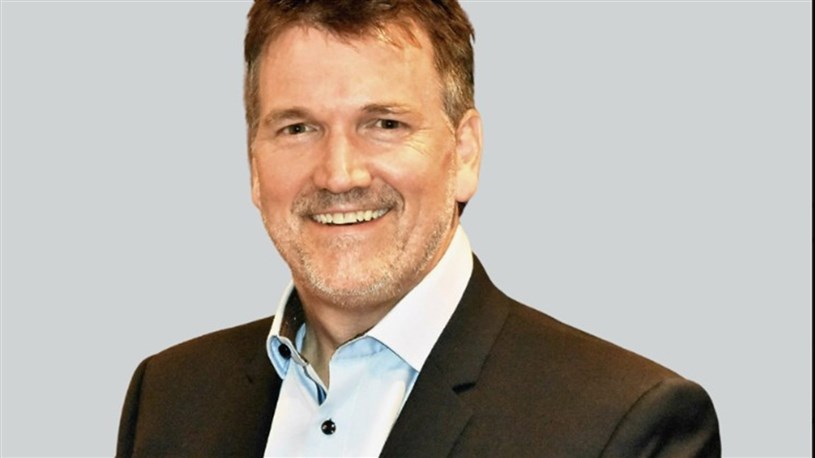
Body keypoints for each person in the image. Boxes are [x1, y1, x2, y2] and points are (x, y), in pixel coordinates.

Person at [116, 1, 721, 456]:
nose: (339, 174)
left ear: (465, 154)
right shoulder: (168, 400)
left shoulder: (621, 426)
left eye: (384, 124)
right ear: (254, 165)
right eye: (297, 128)